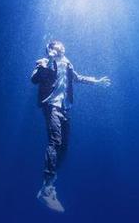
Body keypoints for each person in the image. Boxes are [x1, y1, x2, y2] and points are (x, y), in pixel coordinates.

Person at [31, 40, 111, 212]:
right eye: (59, 45)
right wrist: (49, 61)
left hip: (65, 107)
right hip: (51, 105)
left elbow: (77, 78)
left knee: (64, 148)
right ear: (52, 48)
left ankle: (50, 186)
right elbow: (34, 80)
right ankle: (47, 188)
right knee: (55, 142)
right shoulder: (43, 62)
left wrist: (95, 81)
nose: (63, 46)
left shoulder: (67, 63)